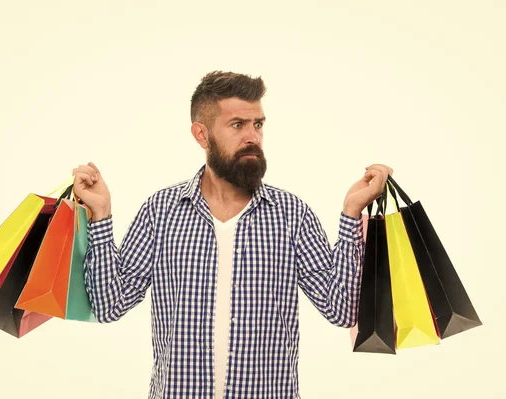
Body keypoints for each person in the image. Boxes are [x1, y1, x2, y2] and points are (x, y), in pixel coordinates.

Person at [72, 71, 393, 399]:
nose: (252, 136)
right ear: (202, 135)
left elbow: (340, 310)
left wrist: (352, 213)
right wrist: (102, 213)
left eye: (258, 125)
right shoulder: (160, 211)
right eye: (238, 125)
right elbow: (110, 305)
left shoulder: (292, 215)